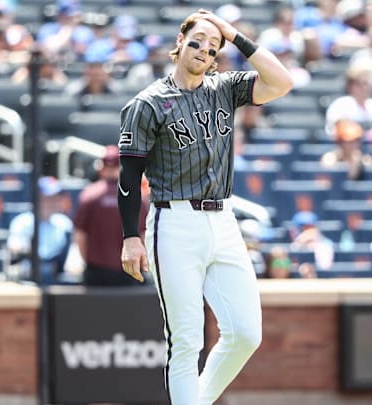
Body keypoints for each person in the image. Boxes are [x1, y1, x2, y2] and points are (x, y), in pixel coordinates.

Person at [117, 9, 293, 405]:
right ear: (179, 43)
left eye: (212, 47)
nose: (203, 50)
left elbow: (282, 82)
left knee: (246, 333)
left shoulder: (223, 88)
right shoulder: (148, 103)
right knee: (186, 340)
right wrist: (131, 236)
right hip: (173, 220)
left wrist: (234, 35)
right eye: (196, 42)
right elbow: (129, 178)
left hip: (224, 220)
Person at [73, 145, 149, 286]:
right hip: (130, 270)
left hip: (96, 273)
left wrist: (88, 262)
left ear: (101, 167)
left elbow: (80, 236)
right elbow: (144, 235)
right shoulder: (137, 195)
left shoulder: (89, 195)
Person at [7, 176, 73, 285]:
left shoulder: (65, 223)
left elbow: (72, 255)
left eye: (56, 197)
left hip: (56, 277)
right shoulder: (22, 221)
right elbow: (14, 247)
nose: (53, 202)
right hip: (29, 276)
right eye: (48, 198)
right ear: (37, 198)